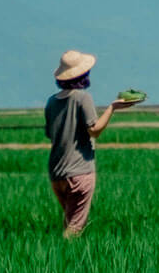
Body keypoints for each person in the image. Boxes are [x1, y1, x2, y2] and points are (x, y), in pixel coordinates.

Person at [43, 50, 137, 238]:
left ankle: (63, 259)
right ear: (83, 75)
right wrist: (112, 108)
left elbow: (50, 133)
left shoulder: (52, 101)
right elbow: (94, 130)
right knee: (76, 227)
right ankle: (58, 258)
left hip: (56, 172)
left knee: (70, 220)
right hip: (79, 171)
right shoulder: (82, 97)